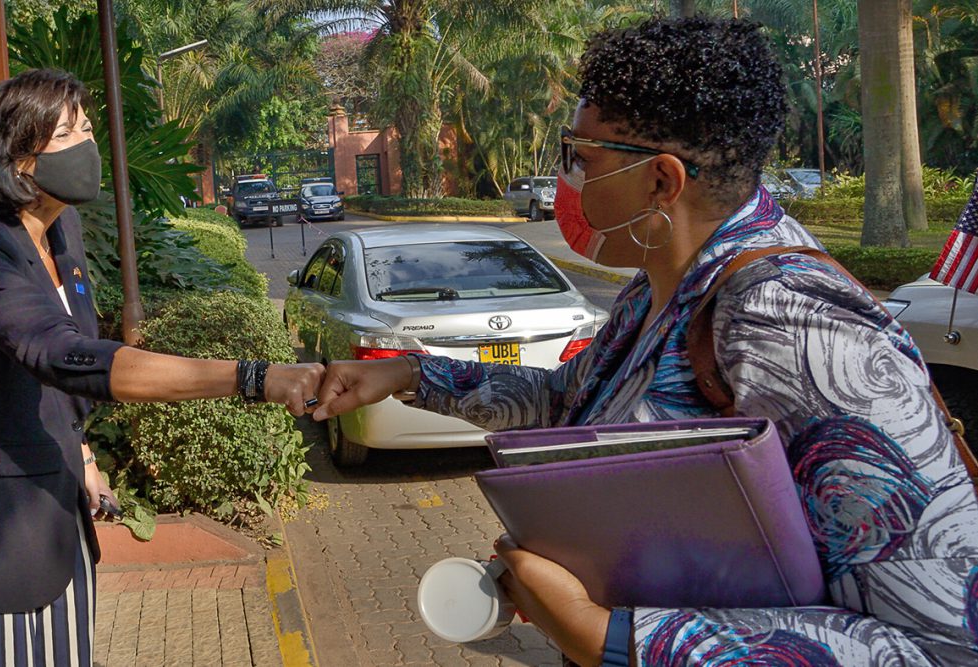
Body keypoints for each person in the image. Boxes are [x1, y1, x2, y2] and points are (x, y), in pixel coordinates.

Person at [313, 17, 978, 665]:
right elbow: (566, 399)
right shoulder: (662, 280)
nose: (565, 175)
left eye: (579, 155)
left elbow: (939, 641)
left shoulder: (790, 322)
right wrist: (406, 374)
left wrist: (610, 635)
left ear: (661, 179)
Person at [0, 69, 324, 666]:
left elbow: (63, 350)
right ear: (18, 159)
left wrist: (85, 457)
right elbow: (58, 354)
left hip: (54, 502)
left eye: (88, 128)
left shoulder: (59, 228)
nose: (88, 146)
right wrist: (251, 376)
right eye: (68, 133)